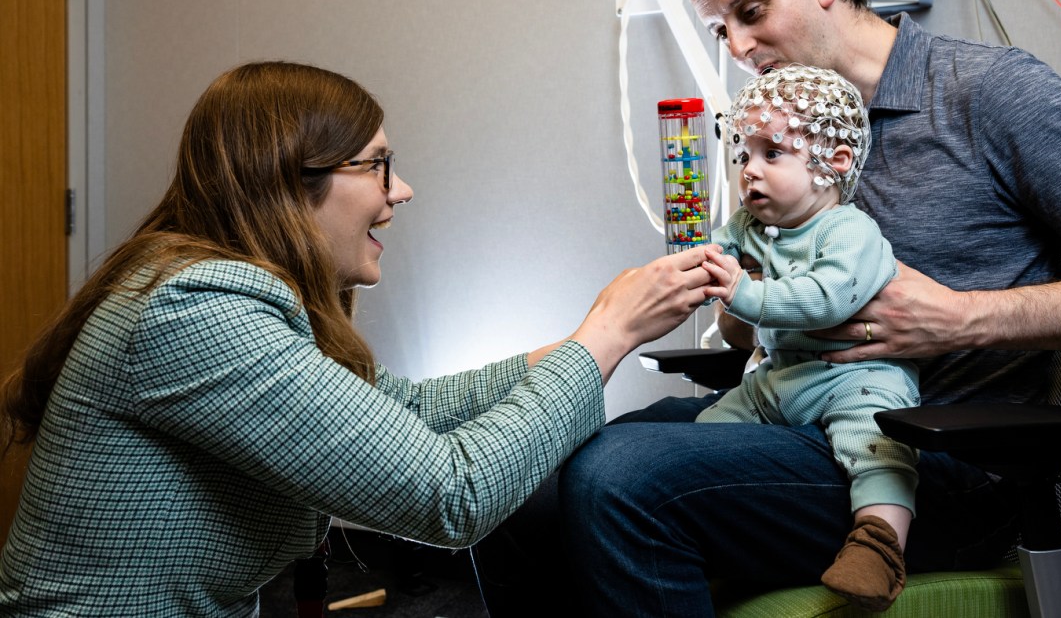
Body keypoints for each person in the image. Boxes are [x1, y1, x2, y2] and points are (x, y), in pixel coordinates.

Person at [472, 0, 1061, 617]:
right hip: (788, 415)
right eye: (719, 30)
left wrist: (966, 320)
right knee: (520, 479)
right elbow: (749, 330)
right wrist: (733, 298)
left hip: (932, 458)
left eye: (750, 12)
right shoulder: (772, 144)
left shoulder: (991, 95)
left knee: (620, 477)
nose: (737, 50)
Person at [0, 61, 722, 616]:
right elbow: (453, 494)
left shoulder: (199, 284)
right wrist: (602, 340)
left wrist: (571, 346)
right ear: (291, 179)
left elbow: (391, 406)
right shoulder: (194, 310)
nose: (399, 189)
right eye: (376, 164)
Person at [698, 64, 917, 611]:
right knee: (706, 432)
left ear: (833, 164)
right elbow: (720, 247)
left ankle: (879, 545)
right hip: (780, 377)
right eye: (744, 154)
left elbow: (826, 298)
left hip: (854, 375)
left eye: (773, 153)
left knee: (879, 444)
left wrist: (742, 295)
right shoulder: (751, 224)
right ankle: (722, 543)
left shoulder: (851, 231)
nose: (750, 170)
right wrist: (701, 266)